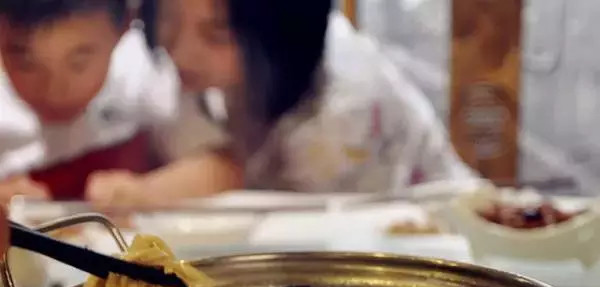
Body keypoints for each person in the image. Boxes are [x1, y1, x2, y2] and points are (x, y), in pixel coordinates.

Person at [87, 0, 472, 206]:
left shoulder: (345, 112)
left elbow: (321, 241)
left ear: (282, 34)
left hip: (439, 231)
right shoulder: (197, 69)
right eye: (168, 19)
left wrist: (152, 191)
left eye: (217, 32)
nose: (181, 52)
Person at [0, 0, 240, 208]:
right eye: (26, 64)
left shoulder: (146, 76)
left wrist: (145, 191)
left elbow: (225, 167)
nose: (54, 91)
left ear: (124, 27)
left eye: (79, 62)